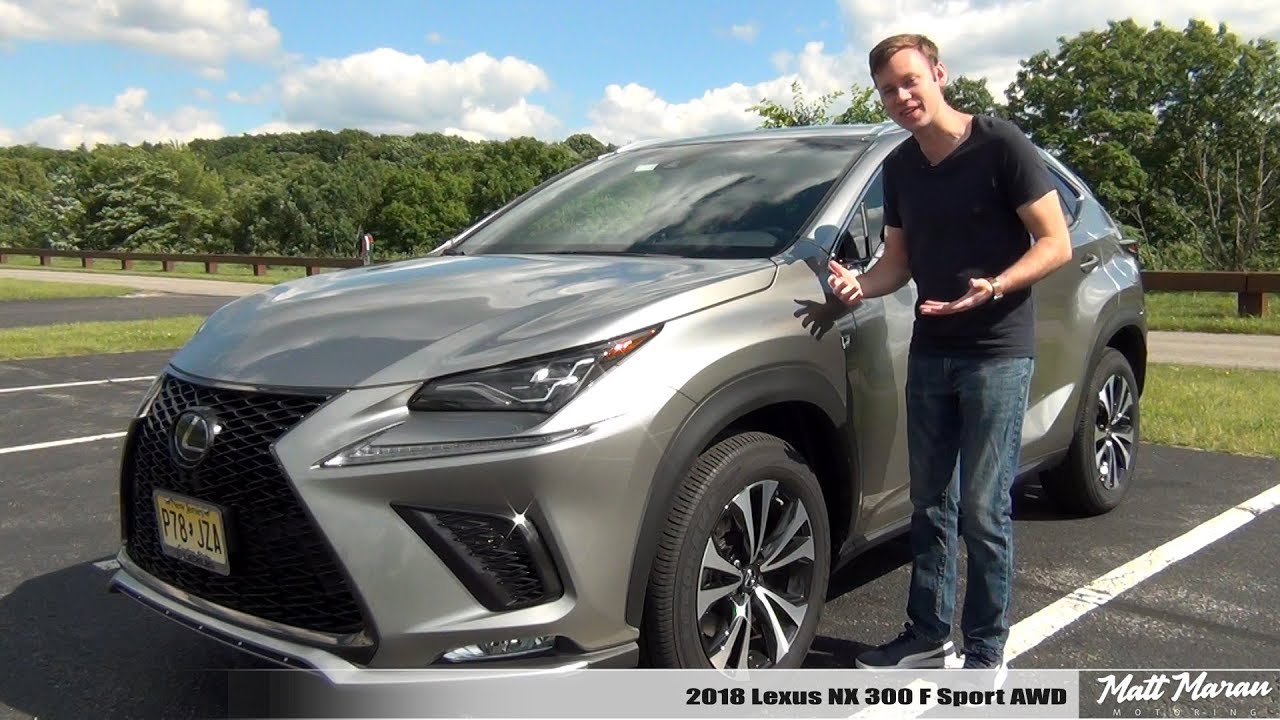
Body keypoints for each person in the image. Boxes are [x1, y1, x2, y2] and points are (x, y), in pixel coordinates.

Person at [827, 33, 1073, 672]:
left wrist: (995, 286)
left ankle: (987, 652)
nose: (901, 96)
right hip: (932, 350)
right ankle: (928, 635)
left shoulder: (1000, 145)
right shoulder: (900, 167)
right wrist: (859, 286)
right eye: (888, 90)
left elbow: (1055, 242)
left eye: (910, 80)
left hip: (997, 350)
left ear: (938, 74)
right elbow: (897, 263)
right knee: (930, 504)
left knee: (984, 509)